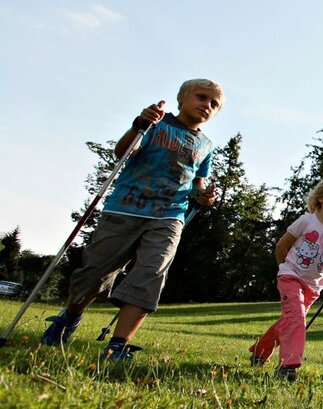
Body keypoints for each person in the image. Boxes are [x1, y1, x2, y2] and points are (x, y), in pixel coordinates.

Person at [41, 79, 224, 361]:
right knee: (94, 274)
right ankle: (70, 317)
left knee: (150, 274)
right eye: (201, 97)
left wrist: (204, 196)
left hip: (169, 215)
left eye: (214, 104)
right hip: (125, 209)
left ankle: (118, 345)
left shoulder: (206, 145)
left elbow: (199, 182)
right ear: (182, 98)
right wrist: (140, 124)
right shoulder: (156, 124)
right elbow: (122, 151)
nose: (206, 105)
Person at [249, 177, 323, 381]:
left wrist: (321, 274)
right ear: (320, 197)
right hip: (291, 276)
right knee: (296, 318)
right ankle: (288, 365)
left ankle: (259, 352)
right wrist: (285, 270)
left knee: (290, 320)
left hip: (313, 286)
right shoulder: (306, 221)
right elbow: (281, 246)